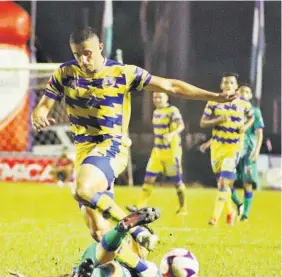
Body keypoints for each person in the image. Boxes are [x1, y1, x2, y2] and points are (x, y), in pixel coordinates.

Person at [31, 27, 236, 243]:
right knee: (99, 232)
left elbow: (170, 85)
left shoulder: (123, 73)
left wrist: (213, 96)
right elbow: (44, 104)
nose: (83, 59)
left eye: (87, 53)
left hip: (111, 145)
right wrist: (38, 115)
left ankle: (137, 230)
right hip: (84, 152)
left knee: (82, 189)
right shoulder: (65, 73)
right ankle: (141, 270)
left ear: (100, 47)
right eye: (77, 54)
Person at [3, 208, 164, 277]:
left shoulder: (154, 271)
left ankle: (114, 222)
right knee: (106, 256)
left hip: (123, 274)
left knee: (110, 264)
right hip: (110, 261)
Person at [200, 73, 254, 226]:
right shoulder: (213, 102)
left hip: (234, 147)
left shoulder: (244, 104)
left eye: (231, 83)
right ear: (221, 85)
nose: (228, 85)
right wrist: (217, 120)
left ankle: (214, 218)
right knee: (223, 184)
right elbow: (203, 122)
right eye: (225, 82)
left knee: (224, 183)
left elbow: (251, 118)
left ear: (236, 86)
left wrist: (244, 126)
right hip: (217, 148)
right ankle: (231, 211)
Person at [127, 92, 187, 215]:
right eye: (155, 97)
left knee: (176, 182)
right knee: (148, 179)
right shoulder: (156, 112)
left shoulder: (172, 110)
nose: (157, 99)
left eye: (160, 97)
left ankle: (183, 208)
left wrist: (171, 134)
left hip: (171, 154)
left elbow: (181, 125)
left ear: (166, 97)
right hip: (157, 153)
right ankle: (140, 206)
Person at [230, 84, 264, 221]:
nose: (244, 93)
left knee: (247, 183)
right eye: (241, 91)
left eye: (247, 92)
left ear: (250, 96)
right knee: (226, 181)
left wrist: (256, 152)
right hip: (233, 149)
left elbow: (259, 134)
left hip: (248, 151)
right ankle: (239, 203)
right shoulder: (232, 109)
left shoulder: (255, 112)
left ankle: (245, 215)